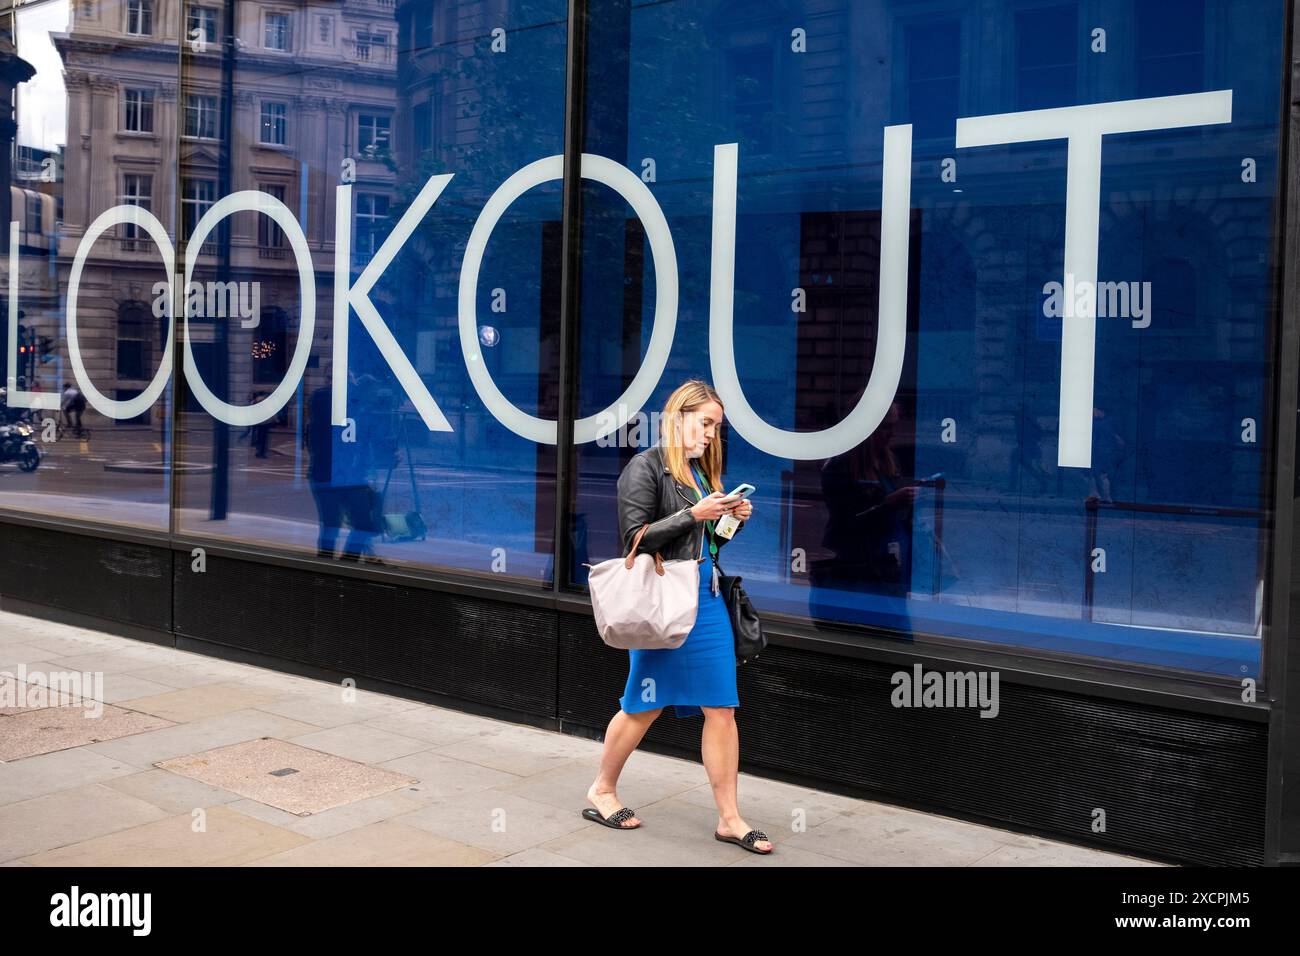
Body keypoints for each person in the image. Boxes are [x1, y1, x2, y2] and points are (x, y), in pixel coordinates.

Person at [583, 379, 770, 854]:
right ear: (678, 417)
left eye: (716, 427)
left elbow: (706, 545)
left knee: (722, 706)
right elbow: (634, 542)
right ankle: (602, 789)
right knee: (642, 706)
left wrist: (729, 520)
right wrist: (696, 514)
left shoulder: (698, 474)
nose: (711, 434)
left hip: (705, 601)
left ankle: (729, 818)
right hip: (664, 605)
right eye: (705, 423)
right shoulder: (645, 467)